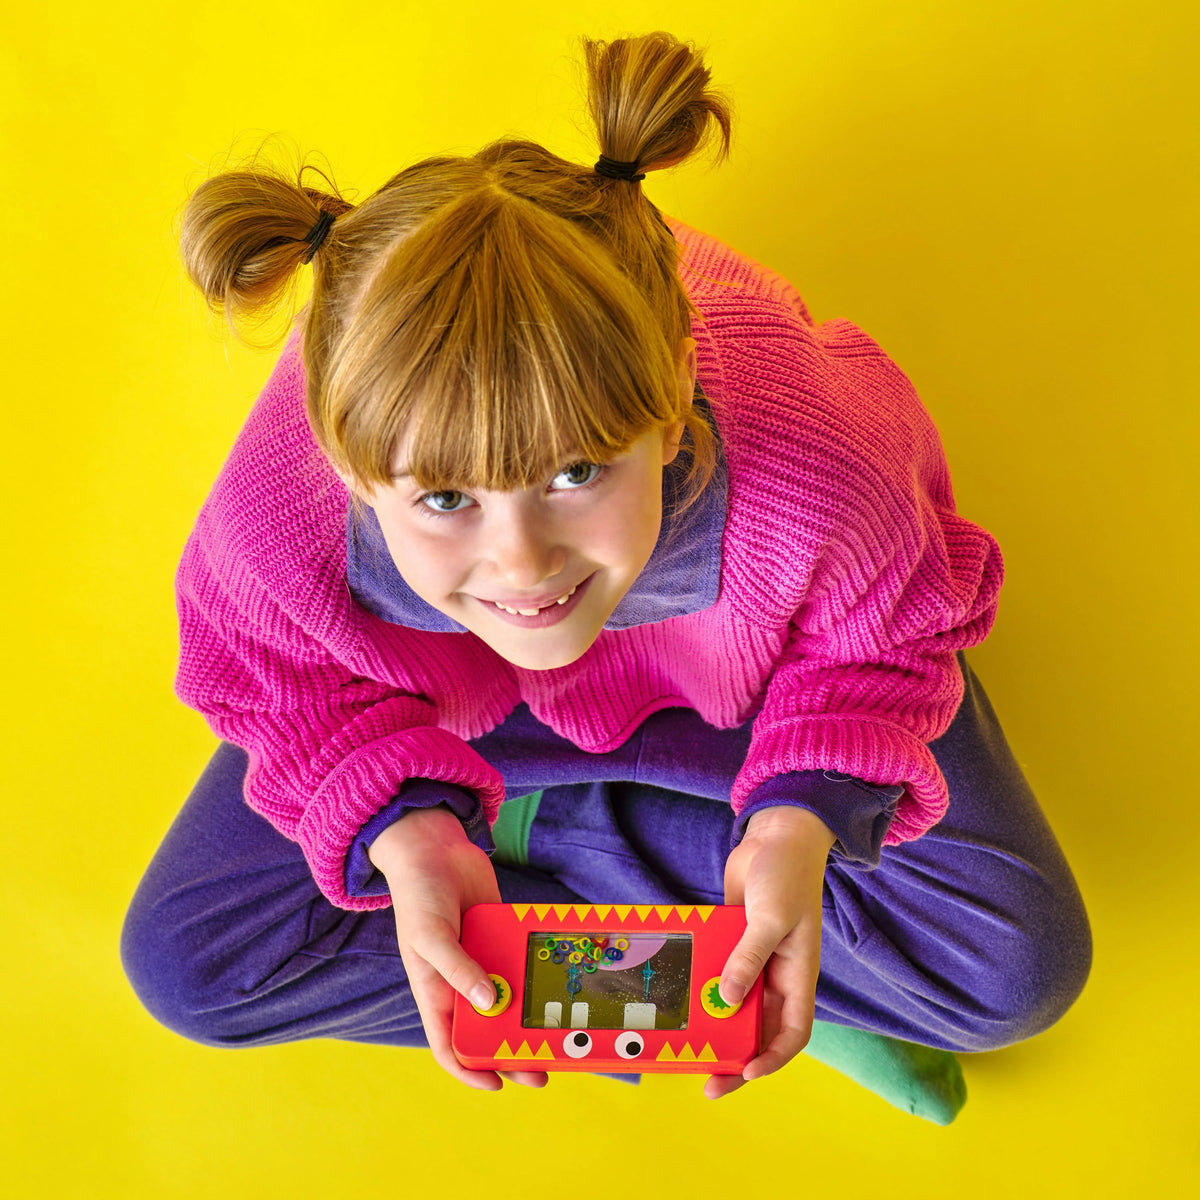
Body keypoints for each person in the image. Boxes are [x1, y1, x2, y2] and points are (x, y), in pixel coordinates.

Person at [120, 31, 1091, 1121]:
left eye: (576, 473)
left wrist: (798, 827)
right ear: (345, 465)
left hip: (759, 706)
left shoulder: (825, 461)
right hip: (438, 735)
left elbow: (888, 640)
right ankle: (746, 973)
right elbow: (280, 689)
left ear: (674, 399)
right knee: (188, 963)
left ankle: (662, 902)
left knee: (1018, 970)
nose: (520, 565)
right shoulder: (277, 523)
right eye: (444, 501)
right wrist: (410, 835)